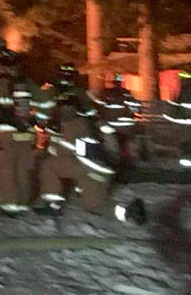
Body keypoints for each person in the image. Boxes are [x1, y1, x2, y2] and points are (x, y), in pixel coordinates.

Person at [34, 93, 147, 224]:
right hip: (100, 170)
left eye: (66, 109)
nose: (64, 112)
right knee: (95, 206)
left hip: (89, 169)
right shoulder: (89, 123)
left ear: (73, 110)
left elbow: (64, 152)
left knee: (48, 165)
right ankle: (129, 211)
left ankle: (53, 206)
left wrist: (50, 142)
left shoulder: (73, 125)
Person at [0, 50, 42, 216]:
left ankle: (10, 207)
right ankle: (23, 205)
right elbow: (46, 104)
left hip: (5, 136)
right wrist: (40, 121)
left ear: (0, 67)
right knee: (24, 170)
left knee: (7, 171)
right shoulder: (29, 84)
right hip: (27, 134)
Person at [94, 71, 139, 166]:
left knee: (107, 139)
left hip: (111, 126)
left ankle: (113, 159)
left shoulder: (106, 93)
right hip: (128, 127)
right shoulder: (127, 93)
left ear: (112, 82)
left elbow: (98, 108)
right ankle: (127, 157)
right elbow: (136, 107)